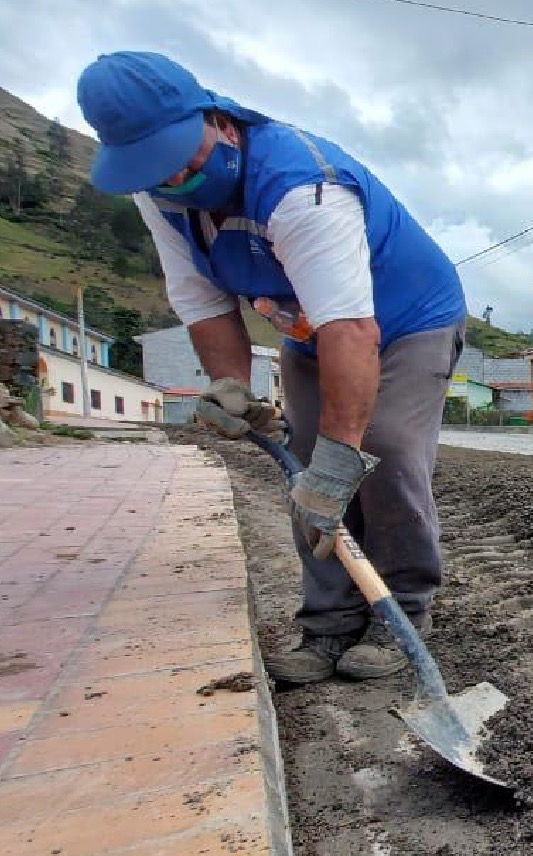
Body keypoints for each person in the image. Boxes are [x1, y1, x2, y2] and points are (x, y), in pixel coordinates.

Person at [77, 51, 467, 685]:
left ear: (219, 121)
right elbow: (204, 304)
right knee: (308, 470)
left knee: (384, 449)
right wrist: (229, 386)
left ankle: (403, 614)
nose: (176, 179)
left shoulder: (303, 186)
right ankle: (330, 622)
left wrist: (345, 456)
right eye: (158, 173)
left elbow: (353, 329)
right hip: (312, 331)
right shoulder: (160, 194)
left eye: (185, 160)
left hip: (406, 320)